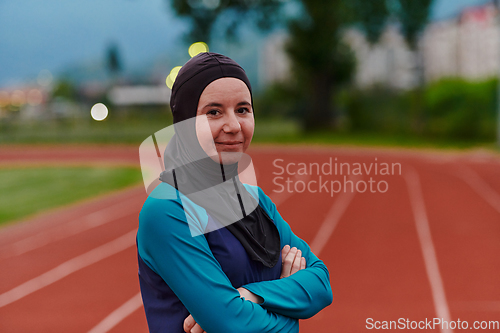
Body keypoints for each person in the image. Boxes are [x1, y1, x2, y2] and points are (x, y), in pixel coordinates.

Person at [136, 52, 333, 333]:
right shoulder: (167, 210)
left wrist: (250, 296)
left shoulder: (255, 200)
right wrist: (291, 313)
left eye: (242, 110)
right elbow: (233, 324)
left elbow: (321, 283)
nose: (233, 126)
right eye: (213, 112)